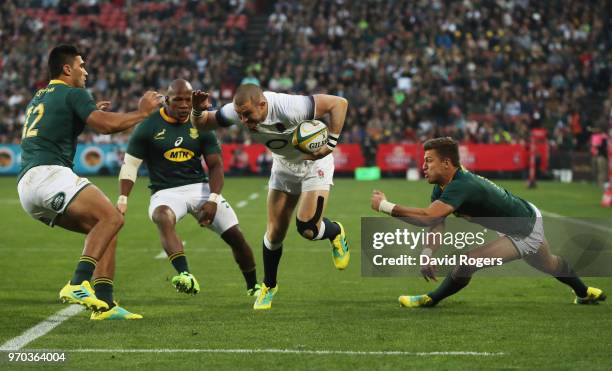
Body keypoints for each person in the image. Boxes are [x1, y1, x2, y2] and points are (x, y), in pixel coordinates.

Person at [370, 137, 606, 307]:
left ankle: (431, 299)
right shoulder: (444, 185)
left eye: (429, 160)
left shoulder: (461, 185)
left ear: (447, 163)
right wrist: (427, 252)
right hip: (524, 215)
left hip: (524, 229)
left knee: (468, 262)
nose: (423, 166)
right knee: (550, 265)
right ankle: (585, 293)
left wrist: (385, 206)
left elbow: (428, 216)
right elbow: (437, 221)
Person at [17, 44, 161, 319]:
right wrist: (142, 113)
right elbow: (106, 126)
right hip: (50, 174)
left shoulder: (39, 96)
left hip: (27, 186)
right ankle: (77, 283)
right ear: (67, 68)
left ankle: (104, 305)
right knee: (113, 218)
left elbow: (56, 125)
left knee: (105, 228)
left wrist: (89, 113)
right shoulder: (74, 93)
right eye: (81, 65)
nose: (86, 71)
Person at [191, 83, 349, 310]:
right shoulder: (237, 111)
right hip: (284, 165)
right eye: (240, 116)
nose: (243, 121)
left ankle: (335, 231)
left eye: (247, 115)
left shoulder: (291, 107)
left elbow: (339, 103)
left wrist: (331, 144)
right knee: (274, 235)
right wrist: (197, 110)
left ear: (263, 104)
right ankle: (269, 286)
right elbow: (203, 124)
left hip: (314, 163)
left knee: (308, 228)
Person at [117, 79, 259, 297]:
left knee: (236, 238)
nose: (184, 105)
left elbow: (215, 165)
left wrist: (212, 199)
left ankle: (254, 286)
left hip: (200, 188)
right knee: (162, 216)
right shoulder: (148, 126)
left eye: (188, 99)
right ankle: (185, 274)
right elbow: (130, 164)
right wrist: (123, 198)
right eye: (178, 100)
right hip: (165, 192)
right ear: (166, 100)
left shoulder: (200, 123)